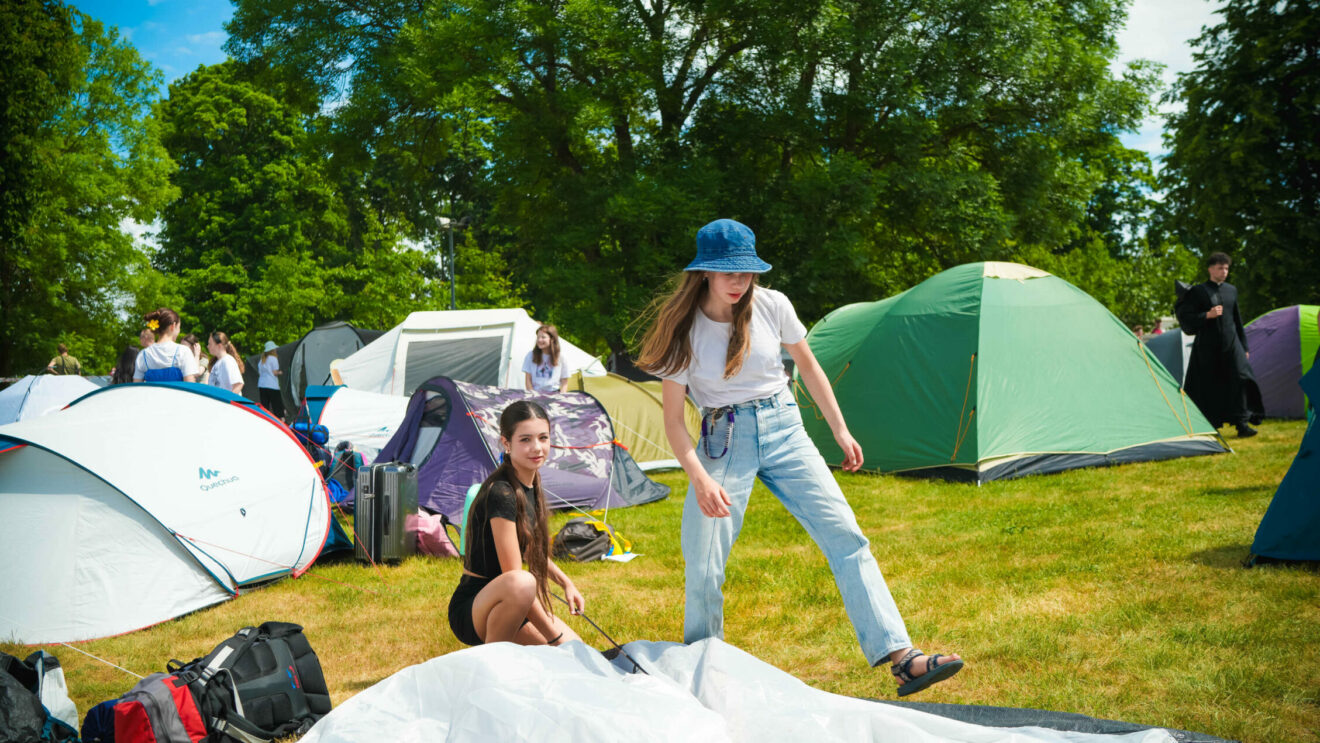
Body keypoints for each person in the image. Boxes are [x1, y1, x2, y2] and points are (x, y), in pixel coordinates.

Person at [637, 218, 962, 697]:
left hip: (785, 428)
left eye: (747, 271)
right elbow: (671, 422)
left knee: (847, 536)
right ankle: (703, 673)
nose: (739, 281)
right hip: (723, 441)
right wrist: (701, 479)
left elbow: (807, 366)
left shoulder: (772, 305)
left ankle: (902, 657)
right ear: (704, 271)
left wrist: (839, 429)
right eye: (728, 272)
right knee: (704, 561)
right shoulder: (683, 330)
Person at [448, 401, 586, 647]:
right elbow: (516, 581)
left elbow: (529, 549)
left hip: (512, 599)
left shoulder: (530, 484)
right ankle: (494, 660)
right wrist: (554, 639)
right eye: (525, 440)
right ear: (507, 443)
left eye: (543, 438)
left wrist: (566, 583)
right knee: (524, 584)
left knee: (580, 651)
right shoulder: (501, 493)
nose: (537, 447)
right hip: (475, 606)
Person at [1176, 252, 1264, 437]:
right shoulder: (1199, 291)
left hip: (1232, 345)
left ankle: (1242, 424)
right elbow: (1186, 317)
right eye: (1220, 268)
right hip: (1208, 347)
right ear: (1210, 269)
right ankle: (1212, 425)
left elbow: (1237, 320)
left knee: (1240, 379)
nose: (1224, 272)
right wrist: (1206, 315)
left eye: (1226, 268)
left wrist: (1244, 346)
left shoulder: (1231, 290)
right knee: (1210, 384)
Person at [134, 308, 199, 383]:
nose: (179, 331)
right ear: (173, 326)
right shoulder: (183, 351)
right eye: (179, 327)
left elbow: (137, 385)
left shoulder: (143, 354)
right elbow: (189, 384)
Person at [522, 325, 570, 393]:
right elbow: (528, 379)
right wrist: (533, 395)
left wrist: (561, 396)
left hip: (554, 394)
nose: (539, 340)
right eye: (538, 337)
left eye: (543, 337)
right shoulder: (530, 355)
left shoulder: (561, 357)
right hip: (535, 393)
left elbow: (564, 381)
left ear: (552, 339)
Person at [257, 341, 285, 419]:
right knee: (277, 405)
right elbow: (275, 372)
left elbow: (260, 373)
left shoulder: (261, 360)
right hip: (272, 385)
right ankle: (280, 420)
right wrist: (280, 372)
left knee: (264, 406)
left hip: (262, 385)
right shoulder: (273, 358)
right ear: (272, 350)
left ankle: (265, 419)